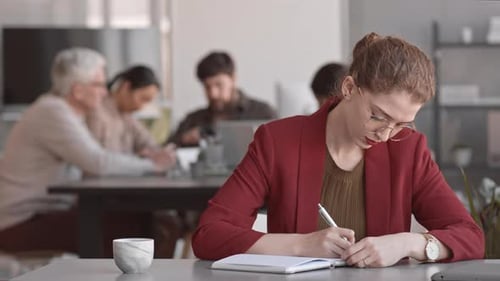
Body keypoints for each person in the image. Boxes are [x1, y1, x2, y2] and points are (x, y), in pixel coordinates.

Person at [191, 33, 485, 267]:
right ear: (349, 88)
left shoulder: (409, 149)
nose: (385, 134)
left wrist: (409, 243)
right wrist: (299, 245)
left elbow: (470, 237)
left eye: (401, 123)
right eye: (377, 116)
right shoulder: (277, 141)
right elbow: (209, 235)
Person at [0, 48, 173, 256]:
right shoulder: (53, 112)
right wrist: (153, 166)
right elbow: (98, 162)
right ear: (78, 90)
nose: (105, 91)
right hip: (21, 222)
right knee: (136, 227)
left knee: (145, 221)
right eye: (99, 84)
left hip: (47, 213)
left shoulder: (69, 113)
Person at [168, 51, 277, 147]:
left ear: (233, 79)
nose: (213, 94)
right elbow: (165, 149)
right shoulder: (194, 119)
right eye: (207, 87)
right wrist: (184, 140)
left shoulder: (262, 113)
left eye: (218, 85)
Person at [86, 65, 176, 163]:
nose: (142, 107)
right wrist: (137, 158)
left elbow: (149, 143)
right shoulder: (96, 112)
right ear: (126, 87)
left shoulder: (128, 117)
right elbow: (96, 159)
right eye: (143, 99)